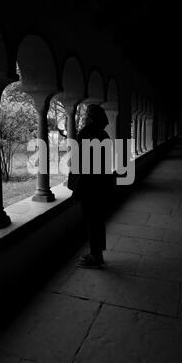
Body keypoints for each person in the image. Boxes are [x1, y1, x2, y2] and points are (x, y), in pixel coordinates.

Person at [68, 104, 114, 268]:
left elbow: (86, 168)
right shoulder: (103, 135)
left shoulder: (89, 134)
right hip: (101, 185)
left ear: (92, 118)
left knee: (92, 220)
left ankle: (96, 257)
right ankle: (97, 253)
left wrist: (77, 190)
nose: (84, 118)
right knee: (97, 220)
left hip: (90, 187)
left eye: (86, 115)